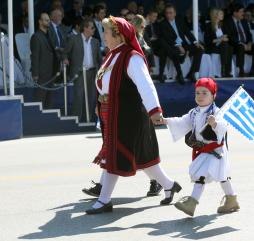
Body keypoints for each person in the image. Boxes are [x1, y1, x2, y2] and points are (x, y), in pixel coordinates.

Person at [85, 16, 182, 214]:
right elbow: (104, 83)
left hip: (128, 116)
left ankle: (104, 200)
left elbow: (146, 85)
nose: (103, 35)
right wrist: (99, 103)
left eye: (106, 32)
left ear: (118, 35)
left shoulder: (131, 57)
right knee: (143, 158)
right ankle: (170, 185)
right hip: (113, 112)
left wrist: (155, 111)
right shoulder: (112, 55)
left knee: (115, 153)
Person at [161, 77, 240, 216]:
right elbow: (182, 122)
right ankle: (231, 199)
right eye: (197, 93)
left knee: (205, 176)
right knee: (217, 177)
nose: (200, 96)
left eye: (205, 93)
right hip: (203, 151)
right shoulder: (194, 112)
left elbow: (223, 126)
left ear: (213, 95)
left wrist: (215, 124)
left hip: (216, 151)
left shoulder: (216, 112)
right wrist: (165, 120)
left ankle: (192, 203)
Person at [63, 17, 102, 122]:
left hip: (92, 72)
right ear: (85, 28)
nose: (94, 30)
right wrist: (65, 59)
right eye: (92, 28)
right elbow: (65, 52)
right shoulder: (73, 39)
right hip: (79, 72)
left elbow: (99, 59)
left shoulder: (96, 42)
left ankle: (89, 120)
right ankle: (76, 120)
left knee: (91, 97)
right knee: (78, 96)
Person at [159, 4, 204, 84]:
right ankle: (179, 74)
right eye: (167, 13)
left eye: (170, 13)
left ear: (175, 13)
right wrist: (178, 46)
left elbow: (187, 32)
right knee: (176, 52)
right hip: (172, 46)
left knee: (199, 49)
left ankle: (192, 73)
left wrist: (195, 42)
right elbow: (167, 39)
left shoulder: (179, 20)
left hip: (184, 45)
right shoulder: (163, 24)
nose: (168, 15)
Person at [30, 13, 55, 109]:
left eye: (49, 20)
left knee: (49, 100)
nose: (48, 22)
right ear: (40, 22)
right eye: (46, 20)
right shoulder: (36, 37)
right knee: (39, 99)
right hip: (42, 74)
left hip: (51, 73)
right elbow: (34, 56)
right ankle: (36, 120)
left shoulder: (49, 35)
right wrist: (35, 74)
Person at [204, 8, 233, 77]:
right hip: (212, 46)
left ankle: (227, 70)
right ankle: (224, 69)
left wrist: (224, 38)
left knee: (229, 47)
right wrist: (220, 39)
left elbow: (227, 36)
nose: (223, 15)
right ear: (215, 15)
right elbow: (208, 41)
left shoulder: (222, 25)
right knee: (225, 45)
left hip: (222, 46)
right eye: (221, 14)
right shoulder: (209, 25)